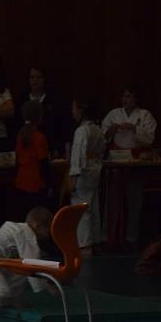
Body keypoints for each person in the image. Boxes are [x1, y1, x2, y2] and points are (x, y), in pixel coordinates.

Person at [102, 86, 158, 249]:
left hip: (135, 160)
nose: (125, 99)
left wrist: (134, 128)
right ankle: (108, 234)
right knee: (112, 201)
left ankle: (131, 236)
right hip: (116, 160)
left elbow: (150, 139)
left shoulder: (144, 115)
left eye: (129, 96)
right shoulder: (114, 114)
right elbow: (103, 137)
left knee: (134, 200)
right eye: (123, 96)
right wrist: (111, 130)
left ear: (136, 98)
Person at [69, 99, 106, 255]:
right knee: (93, 206)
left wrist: (73, 176)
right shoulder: (97, 129)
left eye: (74, 108)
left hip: (83, 172)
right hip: (95, 169)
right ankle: (96, 240)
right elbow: (102, 148)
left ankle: (84, 244)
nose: (72, 112)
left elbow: (78, 153)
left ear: (81, 111)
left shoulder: (82, 131)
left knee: (81, 207)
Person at [13, 100, 53, 218]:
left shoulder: (20, 135)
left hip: (21, 181)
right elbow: (43, 164)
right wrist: (50, 184)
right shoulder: (39, 137)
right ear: (40, 117)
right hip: (36, 183)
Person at [13, 67, 66, 156]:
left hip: (48, 146)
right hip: (26, 145)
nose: (35, 80)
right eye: (32, 77)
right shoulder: (21, 99)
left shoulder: (54, 99)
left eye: (39, 77)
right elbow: (16, 123)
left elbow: (59, 125)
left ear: (44, 79)